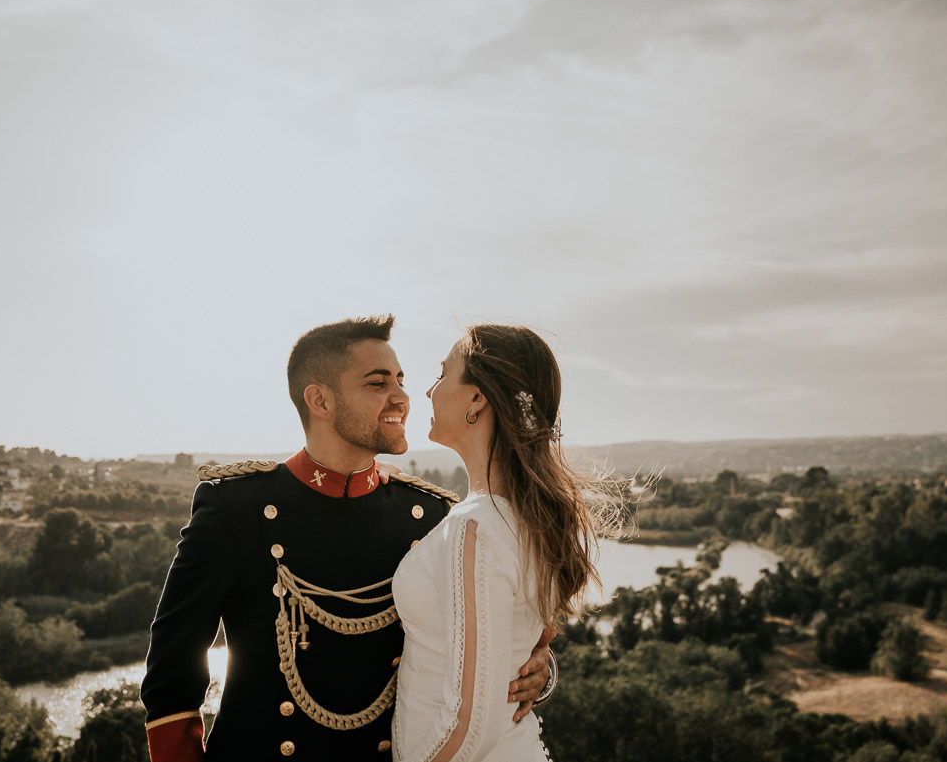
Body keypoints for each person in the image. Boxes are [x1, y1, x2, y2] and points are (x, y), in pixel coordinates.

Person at [141, 315, 554, 761]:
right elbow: (172, 674)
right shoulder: (235, 508)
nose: (403, 397)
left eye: (401, 380)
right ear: (320, 400)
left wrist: (540, 672)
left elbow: (482, 638)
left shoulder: (431, 515)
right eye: (378, 384)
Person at [392, 325, 607, 762]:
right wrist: (541, 666)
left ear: (477, 399)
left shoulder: (476, 527)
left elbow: (471, 727)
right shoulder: (527, 517)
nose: (429, 391)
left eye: (442, 374)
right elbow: (515, 645)